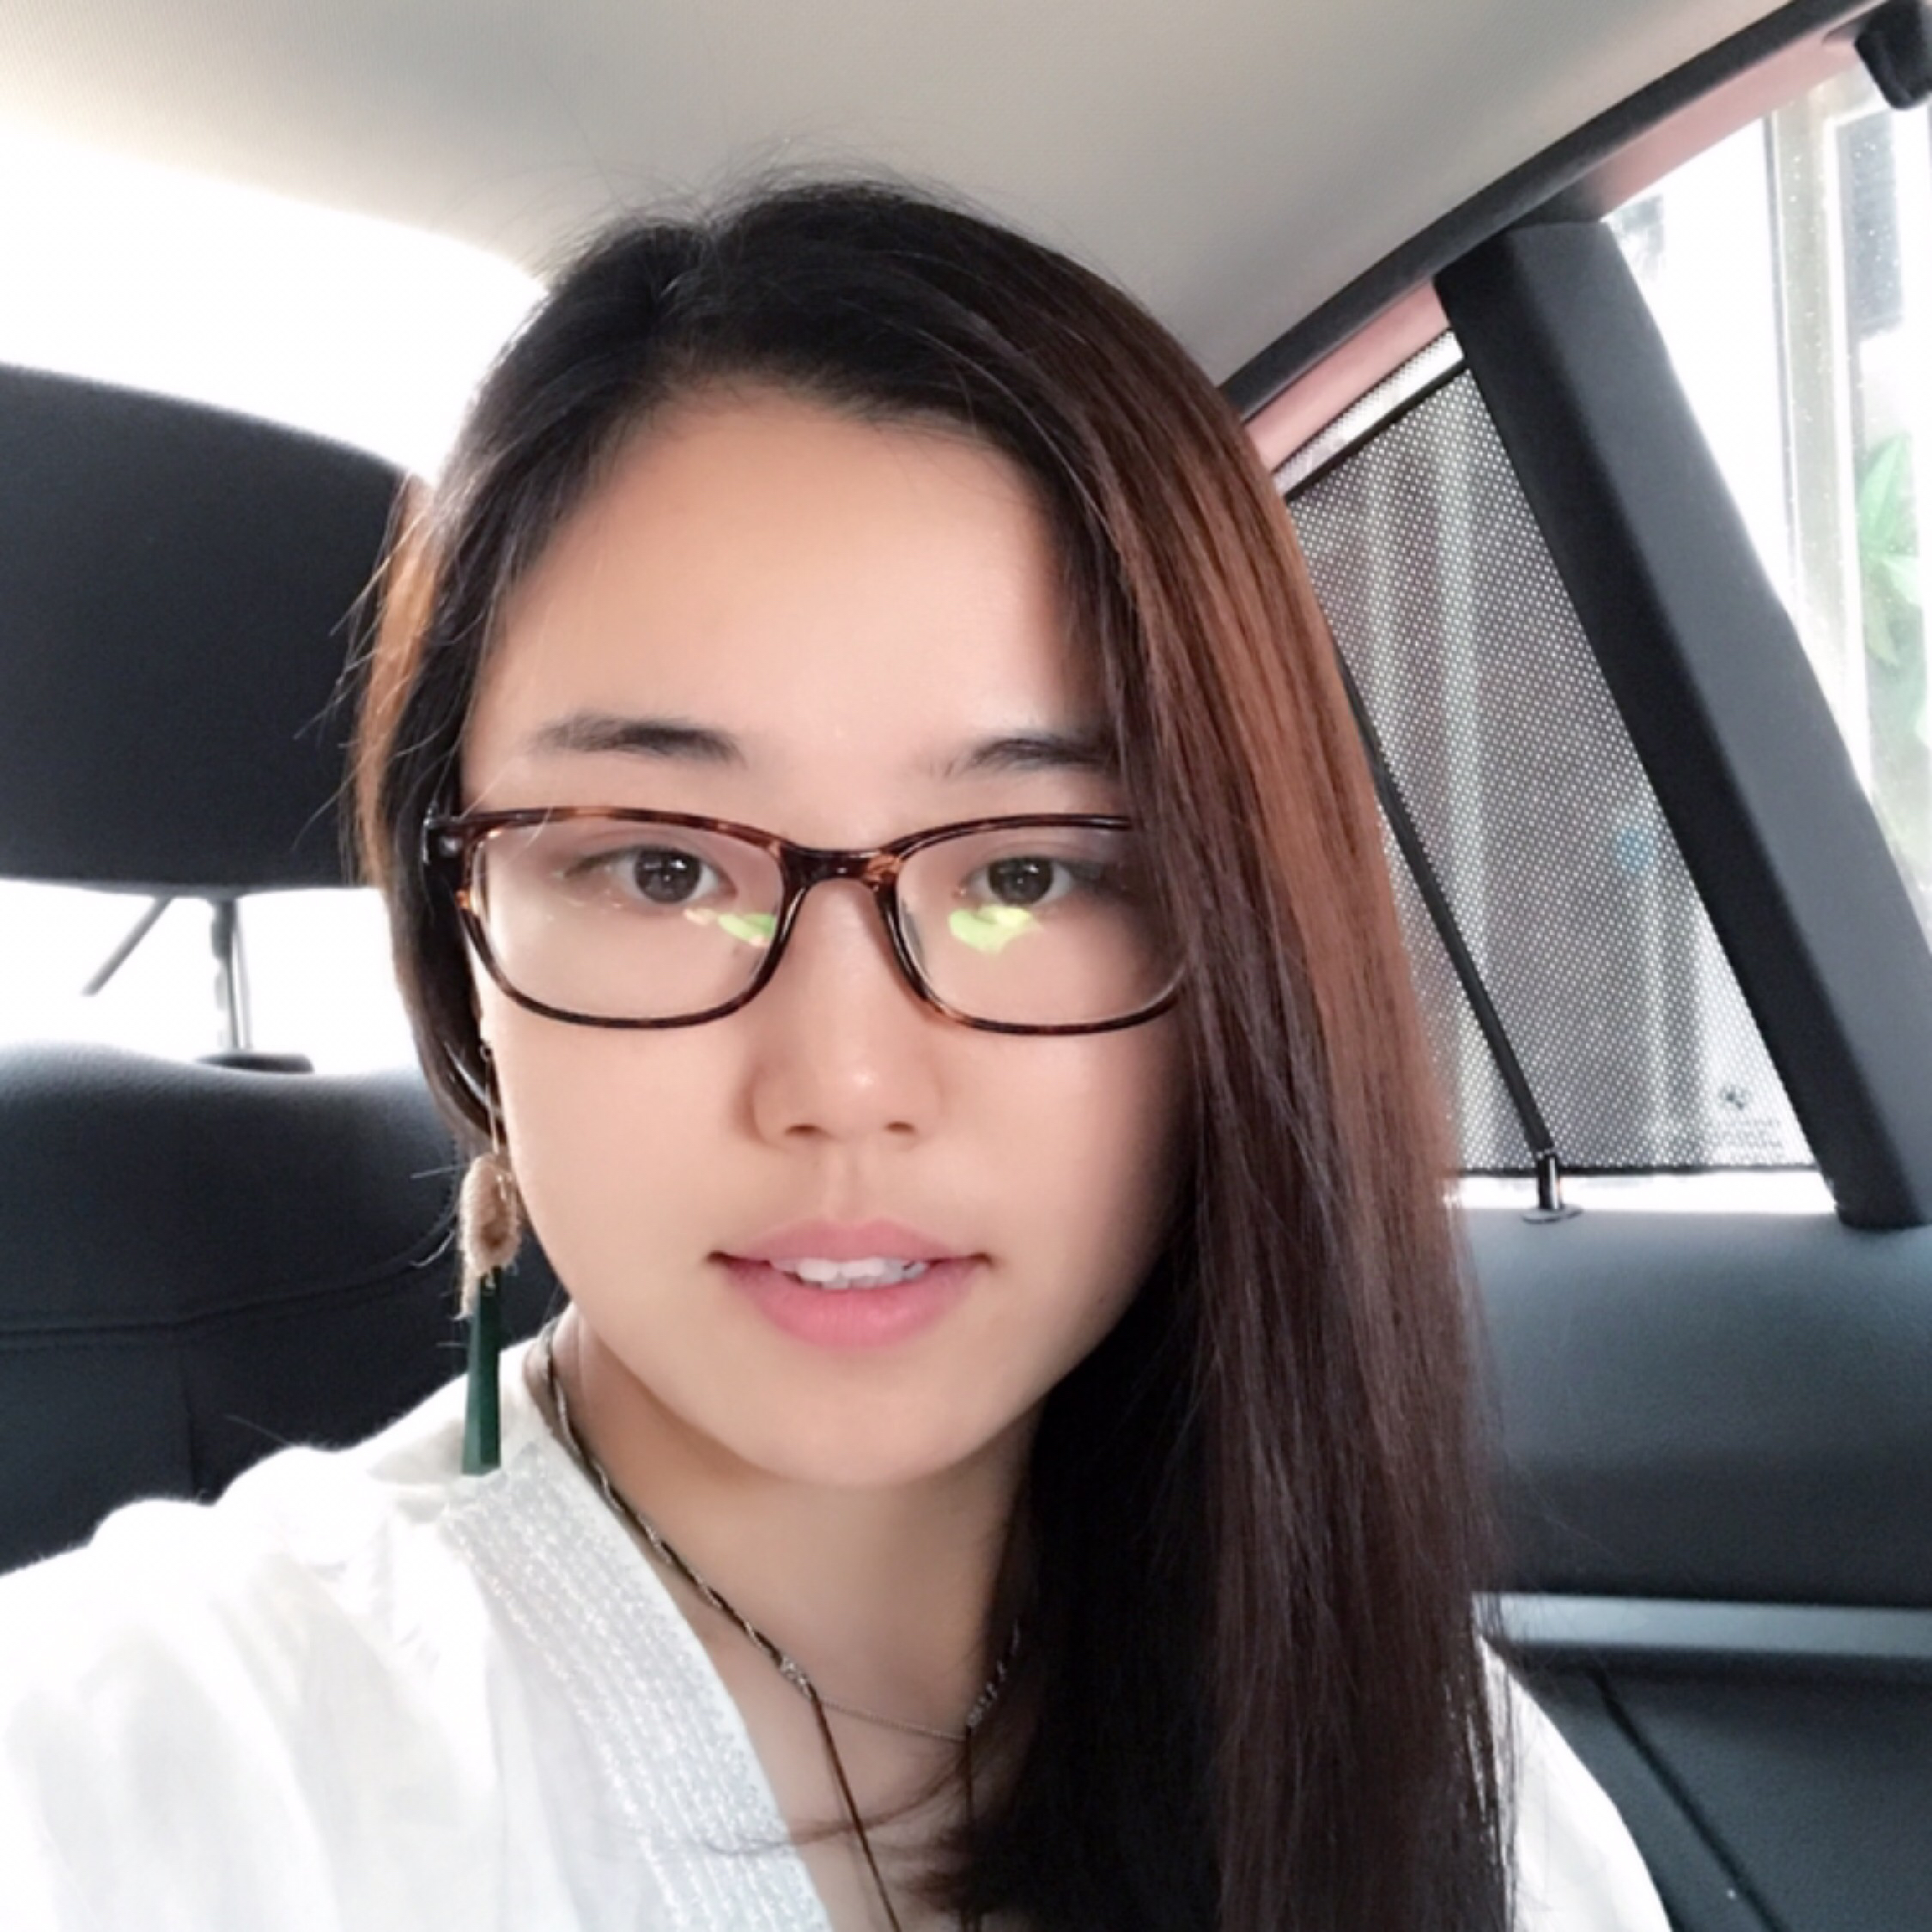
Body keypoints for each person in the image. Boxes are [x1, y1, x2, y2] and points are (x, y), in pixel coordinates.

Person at [0, 180, 1668, 1932]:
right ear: (459, 942)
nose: (843, 1083)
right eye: (660, 869)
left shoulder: (1430, 1768)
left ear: (1245, 954)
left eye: (1027, 874)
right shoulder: (147, 1770)